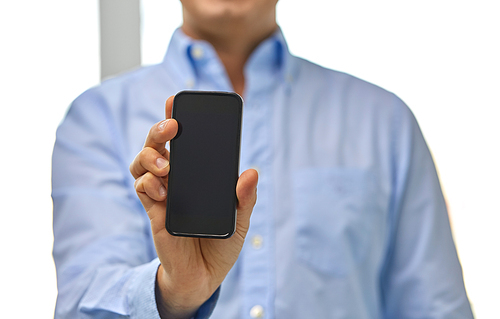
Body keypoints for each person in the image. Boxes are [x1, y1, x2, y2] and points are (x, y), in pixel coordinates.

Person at [52, 0, 474, 318]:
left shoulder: (386, 122)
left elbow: (437, 308)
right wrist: (175, 291)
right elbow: (82, 301)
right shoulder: (97, 120)